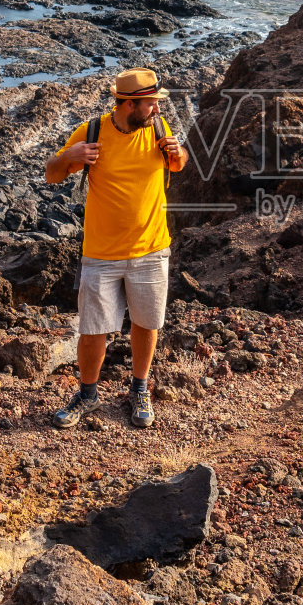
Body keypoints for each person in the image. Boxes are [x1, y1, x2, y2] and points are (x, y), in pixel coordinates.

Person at [45, 68, 186, 429]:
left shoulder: (157, 128)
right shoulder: (91, 133)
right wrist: (68, 155)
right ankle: (87, 395)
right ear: (128, 104)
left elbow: (177, 164)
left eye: (157, 104)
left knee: (146, 322)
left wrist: (179, 152)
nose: (158, 110)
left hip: (152, 248)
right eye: (151, 104)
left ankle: (139, 388)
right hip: (101, 253)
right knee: (93, 329)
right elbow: (52, 174)